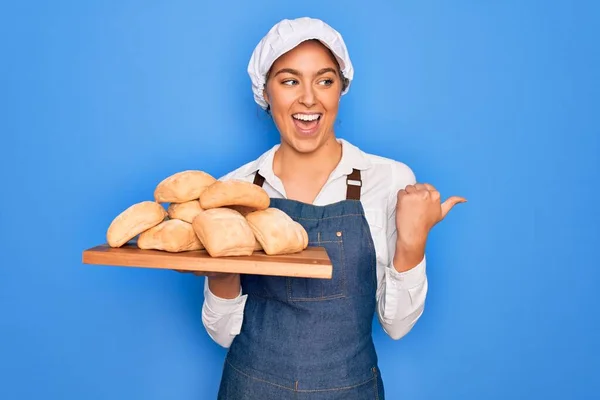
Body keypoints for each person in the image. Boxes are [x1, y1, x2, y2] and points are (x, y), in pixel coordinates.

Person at [199, 17, 466, 399]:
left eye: (324, 80)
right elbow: (223, 333)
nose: (309, 98)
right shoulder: (234, 190)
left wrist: (413, 243)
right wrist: (220, 271)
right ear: (265, 92)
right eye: (289, 80)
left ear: (341, 88)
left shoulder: (388, 180)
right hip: (250, 389)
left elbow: (397, 325)